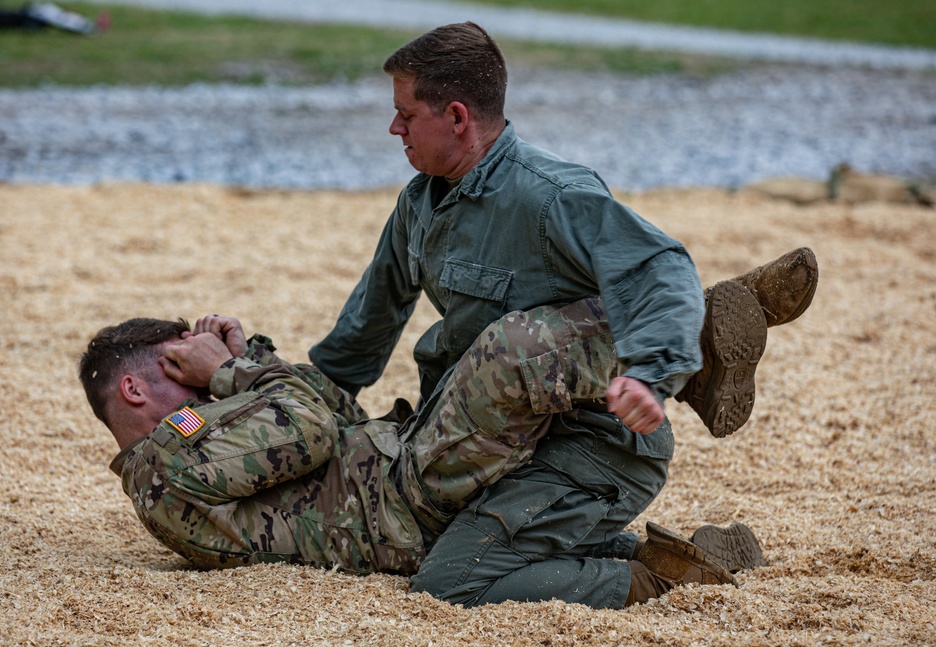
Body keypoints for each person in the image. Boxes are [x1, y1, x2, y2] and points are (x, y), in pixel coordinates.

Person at [304, 21, 816, 607]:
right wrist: (302, 403)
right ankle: (694, 549)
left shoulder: (550, 196)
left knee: (451, 582)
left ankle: (667, 580)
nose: (393, 126)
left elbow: (663, 267)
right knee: (442, 543)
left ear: (456, 117)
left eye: (405, 113)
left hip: (591, 447)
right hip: (495, 441)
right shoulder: (419, 203)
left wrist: (654, 373)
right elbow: (364, 331)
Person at [80, 299, 764, 609]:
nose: (196, 375)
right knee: (505, 354)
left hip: (406, 475)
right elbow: (314, 428)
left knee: (481, 325)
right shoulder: (164, 470)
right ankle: (693, 338)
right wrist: (228, 372)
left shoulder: (188, 443)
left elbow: (335, 411)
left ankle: (687, 330)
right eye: (180, 363)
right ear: (136, 386)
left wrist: (249, 359)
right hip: (404, 503)